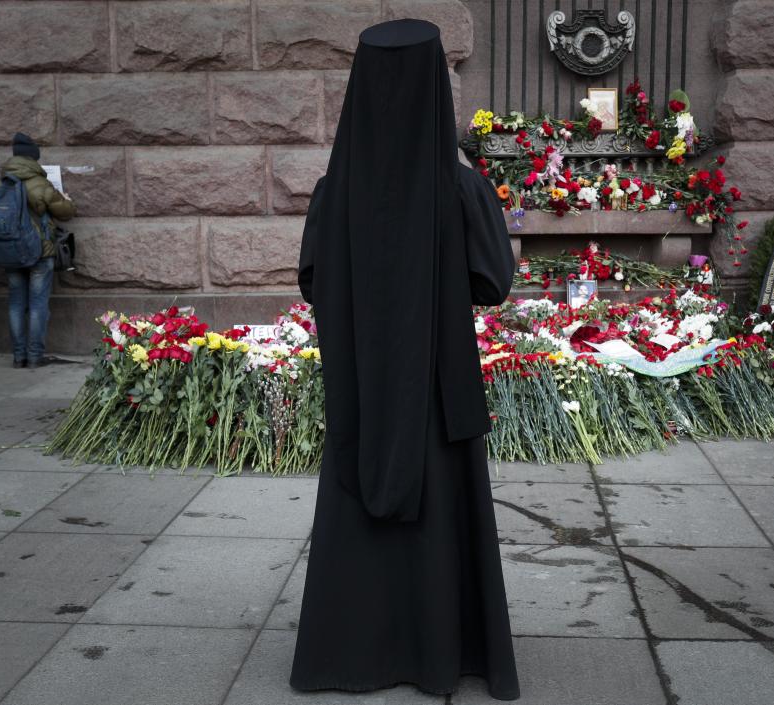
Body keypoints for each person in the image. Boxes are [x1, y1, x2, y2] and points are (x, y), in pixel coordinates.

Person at [290, 18, 521, 702]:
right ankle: (440, 654)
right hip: (436, 394)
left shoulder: (335, 192)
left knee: (355, 512)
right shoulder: (458, 187)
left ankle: (349, 651)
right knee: (442, 523)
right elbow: (494, 283)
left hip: (362, 391)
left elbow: (311, 278)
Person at [0, 132, 75, 368]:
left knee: (16, 303)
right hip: (39, 252)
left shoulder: (1, 182)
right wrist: (67, 199)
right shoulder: (40, 183)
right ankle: (35, 355)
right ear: (33, 157)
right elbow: (65, 211)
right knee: (38, 304)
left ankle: (19, 357)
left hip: (9, 251)